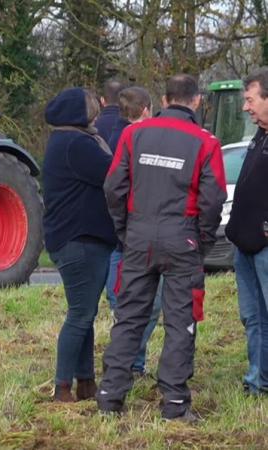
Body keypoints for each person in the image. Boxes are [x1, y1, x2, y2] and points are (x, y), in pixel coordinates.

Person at [97, 75, 226, 421]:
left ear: (165, 101)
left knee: (130, 316)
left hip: (138, 234)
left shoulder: (133, 134)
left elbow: (113, 187)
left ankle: (110, 396)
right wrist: (202, 240)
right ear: (197, 101)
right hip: (182, 236)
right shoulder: (206, 142)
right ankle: (174, 404)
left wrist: (125, 229)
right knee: (181, 320)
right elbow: (214, 199)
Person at [42, 87, 117, 402]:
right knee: (80, 314)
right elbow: (113, 174)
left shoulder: (65, 140)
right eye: (92, 107)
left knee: (85, 312)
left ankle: (85, 381)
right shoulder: (78, 144)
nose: (97, 111)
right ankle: (62, 388)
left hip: (74, 239)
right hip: (81, 240)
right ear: (79, 113)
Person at [105, 86, 162, 376]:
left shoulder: (111, 133)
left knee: (127, 300)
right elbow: (116, 186)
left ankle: (129, 360)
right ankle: (131, 362)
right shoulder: (138, 139)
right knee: (147, 303)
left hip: (123, 232)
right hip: (138, 230)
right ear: (145, 110)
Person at [226, 68, 268, 396]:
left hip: (264, 248)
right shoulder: (261, 135)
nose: (245, 107)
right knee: (252, 316)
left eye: (250, 99)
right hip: (245, 246)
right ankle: (258, 379)